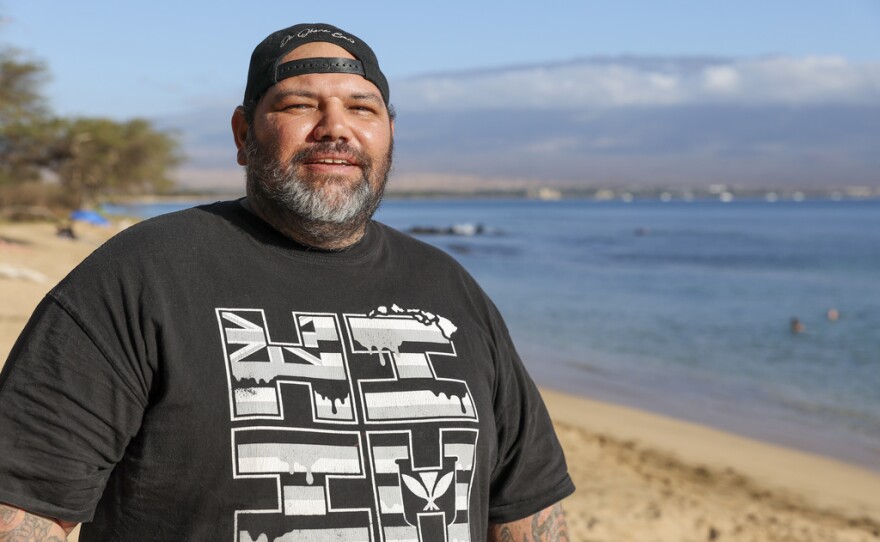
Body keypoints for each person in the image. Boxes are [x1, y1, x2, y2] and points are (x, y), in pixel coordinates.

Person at [0, 23, 574, 541]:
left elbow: (525, 510)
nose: (336, 129)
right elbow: (25, 506)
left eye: (363, 109)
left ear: (389, 133)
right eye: (301, 104)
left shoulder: (450, 289)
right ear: (243, 133)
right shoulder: (141, 275)